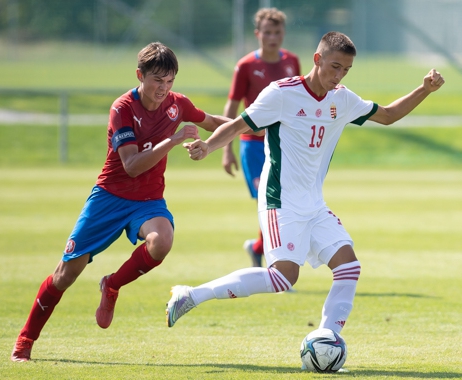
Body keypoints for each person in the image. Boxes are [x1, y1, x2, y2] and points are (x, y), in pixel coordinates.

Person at [166, 32, 444, 343]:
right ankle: (190, 295)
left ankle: (327, 338)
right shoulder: (282, 94)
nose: (338, 76)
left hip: (314, 204)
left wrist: (424, 90)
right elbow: (239, 124)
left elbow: (389, 115)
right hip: (279, 201)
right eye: (334, 67)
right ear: (317, 59)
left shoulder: (342, 99)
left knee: (349, 267)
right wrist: (209, 146)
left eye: (346, 70)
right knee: (283, 277)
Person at [10, 42, 230, 362]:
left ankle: (112, 285)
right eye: (157, 80)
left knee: (162, 241)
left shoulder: (177, 104)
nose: (163, 88)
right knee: (65, 274)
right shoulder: (122, 107)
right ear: (140, 75)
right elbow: (131, 165)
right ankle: (25, 341)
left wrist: (256, 126)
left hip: (148, 201)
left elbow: (211, 121)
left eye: (169, 81)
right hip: (109, 199)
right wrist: (174, 140)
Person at [221, 8, 300, 267]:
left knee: (282, 205)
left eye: (277, 32)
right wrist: (226, 149)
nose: (272, 37)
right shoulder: (246, 66)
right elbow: (231, 109)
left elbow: (300, 102)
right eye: (267, 32)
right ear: (258, 34)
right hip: (253, 146)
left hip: (283, 146)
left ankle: (258, 248)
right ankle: (275, 266)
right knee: (270, 206)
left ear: (283, 33)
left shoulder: (292, 61)